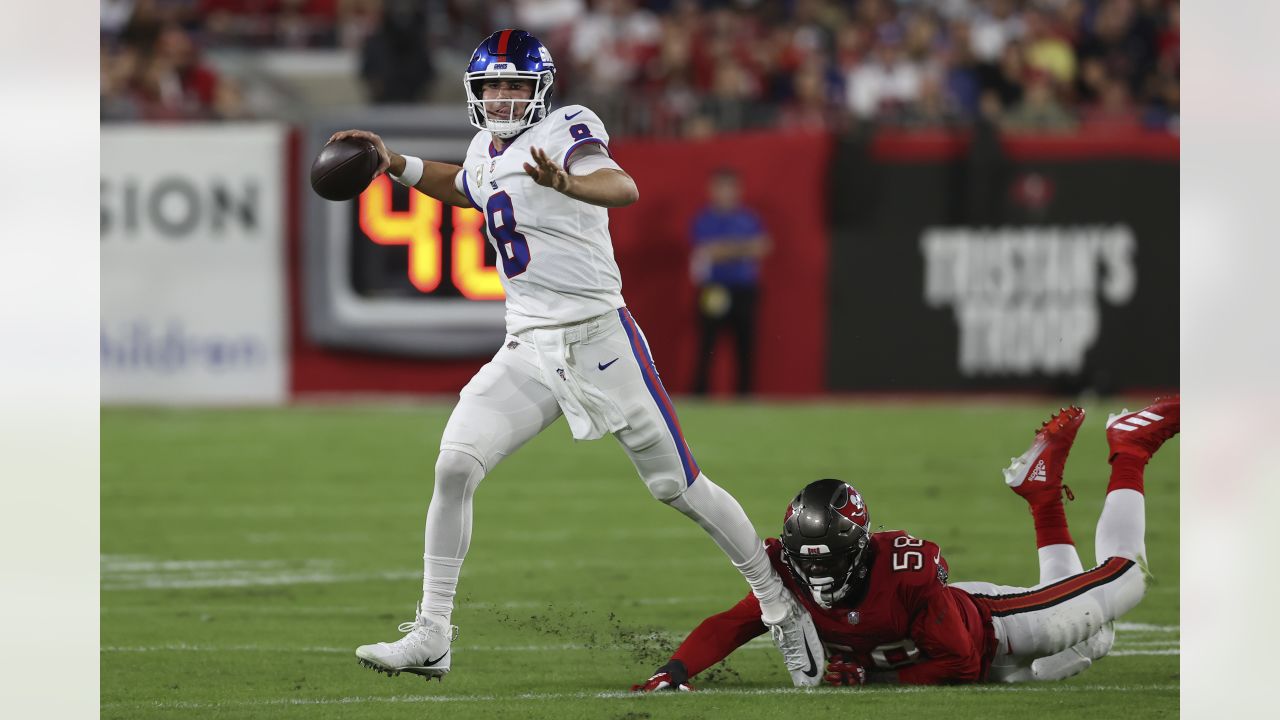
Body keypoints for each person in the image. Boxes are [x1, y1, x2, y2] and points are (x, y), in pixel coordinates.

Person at [328, 28, 820, 684]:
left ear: (541, 89)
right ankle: (433, 632)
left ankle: (779, 606)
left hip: (598, 338)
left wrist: (568, 182)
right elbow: (468, 187)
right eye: (493, 86)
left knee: (680, 487)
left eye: (515, 85)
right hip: (528, 345)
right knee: (454, 466)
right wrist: (397, 164)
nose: (503, 98)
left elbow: (621, 186)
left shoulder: (566, 128)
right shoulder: (483, 148)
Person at [632, 396, 1179, 690]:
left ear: (862, 550)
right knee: (1093, 644)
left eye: (829, 560)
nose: (815, 576)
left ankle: (1130, 446)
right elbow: (732, 623)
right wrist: (674, 670)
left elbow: (961, 663)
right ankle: (1043, 497)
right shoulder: (788, 574)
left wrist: (871, 675)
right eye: (805, 562)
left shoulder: (906, 572)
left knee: (1126, 579)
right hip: (946, 655)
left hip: (995, 631)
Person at [689, 168, 770, 396]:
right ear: (712, 191)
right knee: (708, 344)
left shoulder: (749, 218)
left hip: (744, 288)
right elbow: (707, 251)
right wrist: (743, 248)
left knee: (745, 345)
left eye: (729, 188)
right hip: (714, 289)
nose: (724, 193)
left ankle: (745, 396)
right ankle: (700, 395)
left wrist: (726, 249)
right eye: (720, 187)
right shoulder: (704, 219)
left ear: (737, 190)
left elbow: (763, 246)